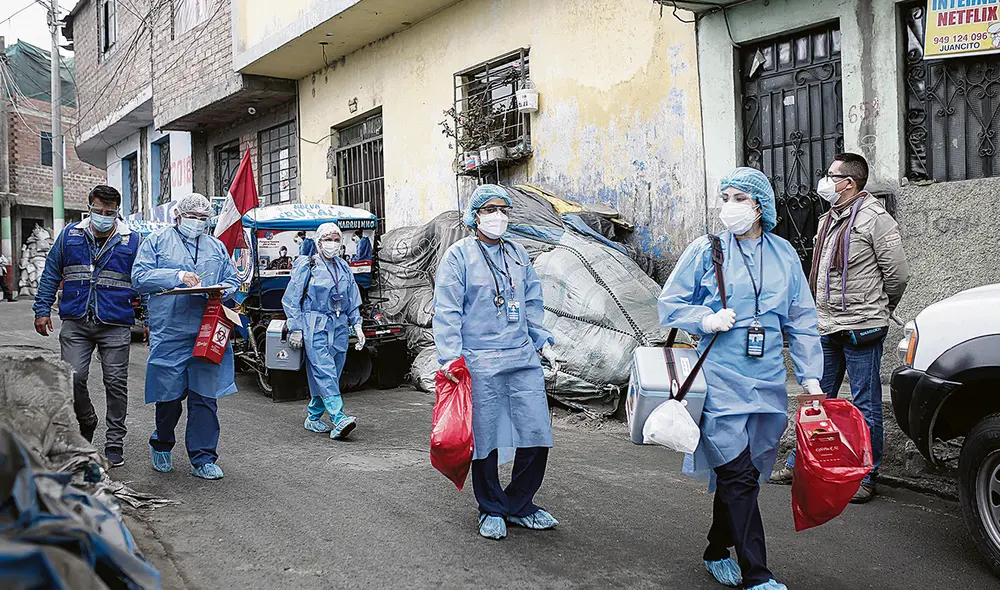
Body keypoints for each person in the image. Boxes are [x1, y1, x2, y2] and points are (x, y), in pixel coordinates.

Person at [658, 167, 823, 590]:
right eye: (725, 197)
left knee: (746, 472)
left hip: (767, 380)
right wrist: (706, 318)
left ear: (760, 206)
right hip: (718, 378)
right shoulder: (706, 250)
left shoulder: (784, 253)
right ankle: (758, 572)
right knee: (737, 472)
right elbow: (670, 303)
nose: (729, 206)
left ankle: (716, 549)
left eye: (739, 198)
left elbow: (802, 320)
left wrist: (811, 379)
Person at [771, 153, 909, 504]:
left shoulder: (876, 219)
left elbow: (897, 275)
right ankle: (799, 462)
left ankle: (868, 475)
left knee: (865, 405)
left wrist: (879, 309)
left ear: (848, 182)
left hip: (862, 326)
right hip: (827, 324)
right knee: (818, 399)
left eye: (830, 175)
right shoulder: (827, 220)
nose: (824, 181)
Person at [433, 184, 561, 541]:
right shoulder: (458, 256)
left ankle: (520, 504)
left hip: (521, 355)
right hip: (479, 360)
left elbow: (532, 302)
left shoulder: (518, 253)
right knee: (486, 436)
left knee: (536, 431)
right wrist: (451, 357)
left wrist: (543, 341)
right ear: (475, 216)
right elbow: (447, 310)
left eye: (503, 210)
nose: (498, 217)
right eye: (490, 210)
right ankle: (491, 506)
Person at [132, 193, 240, 481]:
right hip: (170, 330)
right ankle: (162, 443)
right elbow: (139, 278)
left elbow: (233, 279)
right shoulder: (156, 241)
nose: (198, 223)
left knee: (205, 397)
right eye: (193, 217)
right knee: (168, 395)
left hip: (206, 329)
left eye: (204, 219)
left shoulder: (215, 246)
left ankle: (203, 458)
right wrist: (176, 276)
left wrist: (222, 290)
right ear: (178, 215)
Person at [32, 185, 139, 467]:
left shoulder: (132, 241)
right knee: (73, 378)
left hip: (115, 323)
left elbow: (142, 283)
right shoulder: (70, 236)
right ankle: (86, 419)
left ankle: (114, 443)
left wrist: (150, 321)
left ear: (117, 212)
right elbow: (52, 272)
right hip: (77, 321)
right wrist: (42, 309)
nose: (104, 216)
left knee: (116, 384)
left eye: (110, 213)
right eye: (99, 211)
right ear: (89, 209)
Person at [282, 222, 365, 440]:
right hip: (314, 324)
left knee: (333, 372)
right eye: (328, 239)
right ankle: (338, 418)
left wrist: (357, 323)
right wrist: (296, 327)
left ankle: (314, 416)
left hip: (339, 325)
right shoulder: (307, 265)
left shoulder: (343, 266)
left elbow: (352, 296)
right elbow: (291, 299)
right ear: (318, 242)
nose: (333, 244)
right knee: (324, 370)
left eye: (336, 239)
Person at [350, 229, 373, 299]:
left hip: (363, 265)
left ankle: (362, 299)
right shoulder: (364, 241)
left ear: (356, 236)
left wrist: (351, 260)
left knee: (359, 281)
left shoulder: (363, 241)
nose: (354, 241)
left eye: (354, 239)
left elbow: (360, 256)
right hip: (366, 265)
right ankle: (365, 298)